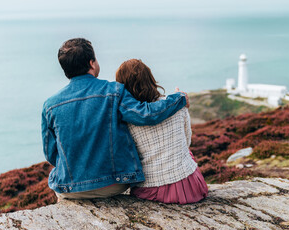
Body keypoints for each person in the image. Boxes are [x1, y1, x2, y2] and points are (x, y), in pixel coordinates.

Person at [41, 38, 189, 200]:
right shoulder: (114, 91)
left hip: (69, 188)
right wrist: (178, 98)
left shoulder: (50, 105)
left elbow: (51, 154)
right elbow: (146, 115)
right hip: (114, 184)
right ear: (92, 63)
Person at [115, 59, 208, 204]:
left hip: (151, 189)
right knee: (186, 152)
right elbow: (187, 141)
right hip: (191, 187)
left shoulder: (126, 118)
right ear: (150, 79)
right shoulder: (176, 105)